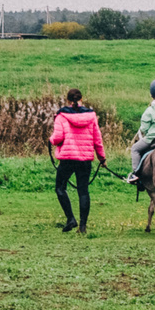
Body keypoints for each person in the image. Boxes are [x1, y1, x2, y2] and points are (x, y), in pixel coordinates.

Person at [48, 88, 104, 232]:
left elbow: (58, 137)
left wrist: (51, 140)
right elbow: (97, 139)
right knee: (83, 191)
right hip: (85, 159)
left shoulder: (61, 115)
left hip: (67, 158)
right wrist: (101, 157)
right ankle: (83, 226)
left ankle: (71, 218)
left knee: (60, 188)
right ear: (81, 98)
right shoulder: (91, 116)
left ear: (68, 100)